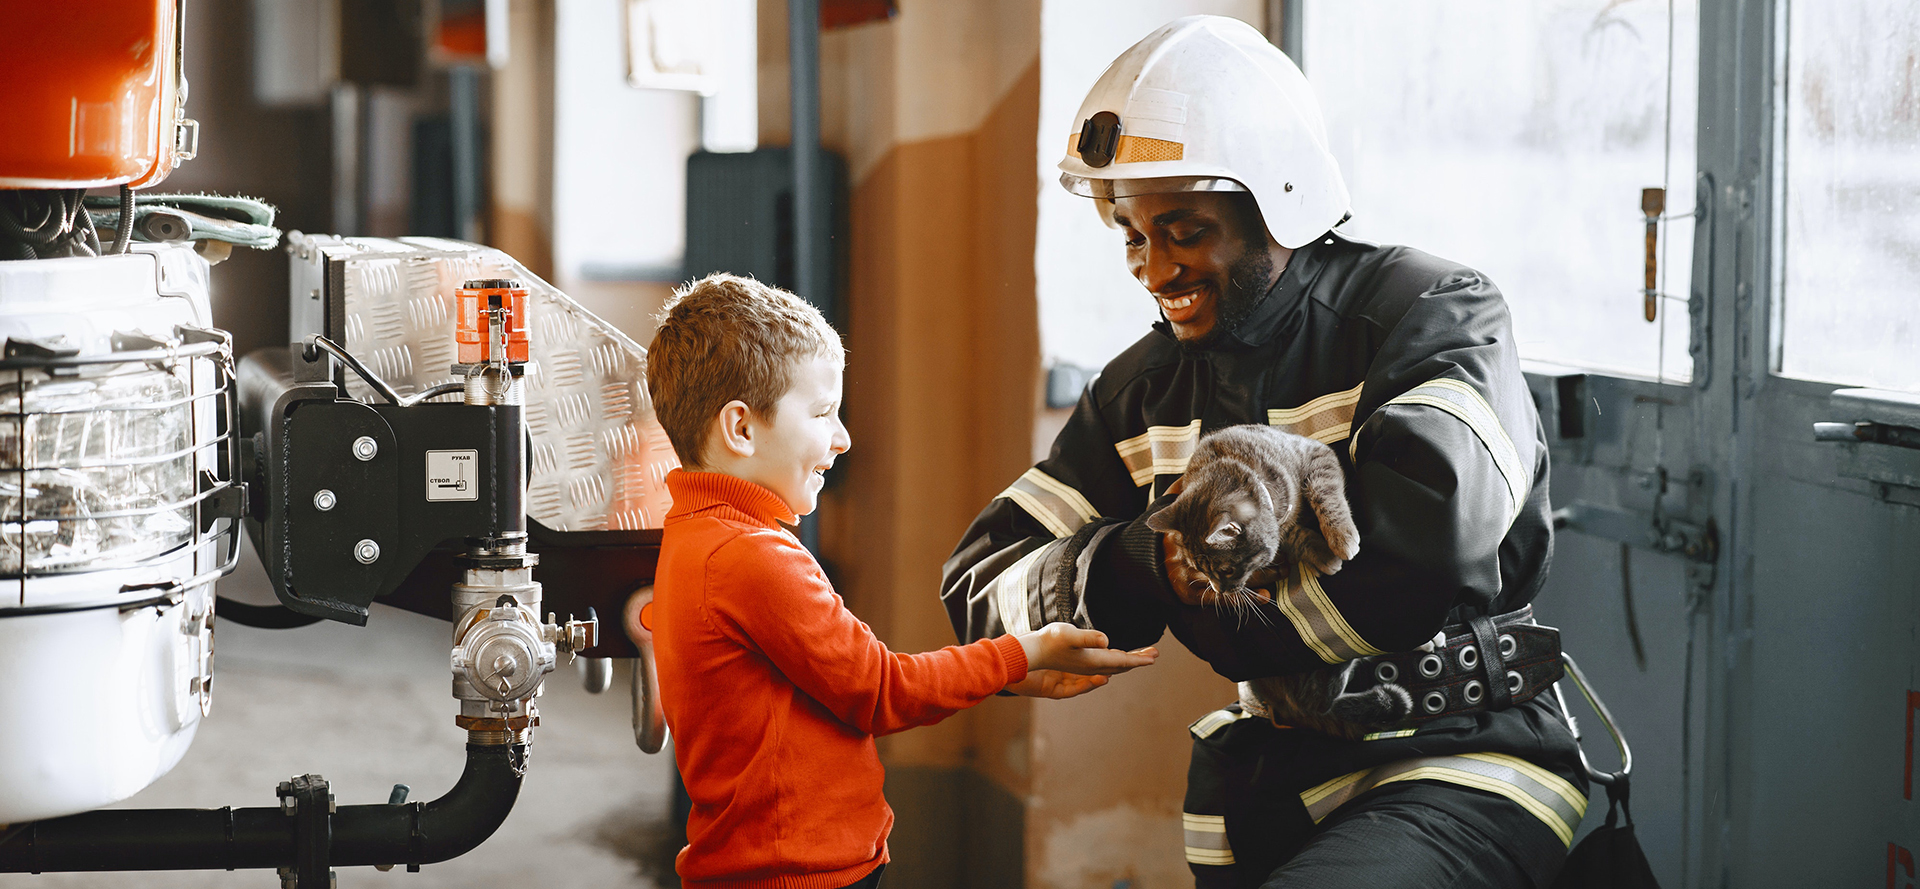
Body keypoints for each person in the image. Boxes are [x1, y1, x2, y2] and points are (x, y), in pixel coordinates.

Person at [942, 16, 1588, 888]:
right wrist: (1151, 561)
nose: (1151, 268)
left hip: (1469, 760)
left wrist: (1199, 596)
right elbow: (978, 588)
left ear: (1276, 205)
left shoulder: (1432, 313)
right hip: (1270, 781)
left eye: (1183, 229)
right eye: (1131, 232)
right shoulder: (1141, 391)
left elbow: (1430, 544)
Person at [639, 273, 1158, 889]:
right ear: (742, 430)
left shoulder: (694, 537)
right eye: (824, 412)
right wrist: (1023, 652)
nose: (843, 437)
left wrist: (1012, 668)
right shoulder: (752, 558)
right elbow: (881, 691)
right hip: (798, 873)